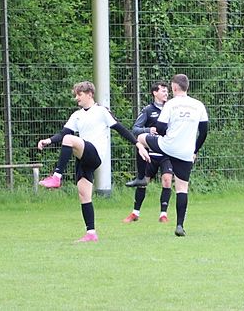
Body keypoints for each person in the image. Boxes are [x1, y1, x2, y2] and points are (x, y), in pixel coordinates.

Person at [37, 81, 148, 242]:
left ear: (89, 94)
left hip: (94, 154)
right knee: (84, 195)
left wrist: (138, 144)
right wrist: (48, 140)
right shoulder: (76, 115)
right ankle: (91, 233)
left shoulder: (101, 111)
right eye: (76, 95)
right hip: (83, 157)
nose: (76, 98)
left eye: (79, 94)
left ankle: (57, 177)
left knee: (69, 139)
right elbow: (62, 133)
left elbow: (121, 129)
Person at [135, 74, 209, 237]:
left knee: (140, 139)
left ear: (174, 87)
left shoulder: (170, 104)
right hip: (185, 152)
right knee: (182, 188)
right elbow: (203, 132)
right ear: (187, 87)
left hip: (167, 146)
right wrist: (194, 151)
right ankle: (180, 226)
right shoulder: (198, 105)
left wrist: (164, 136)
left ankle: (142, 177)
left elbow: (160, 128)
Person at [123, 81, 175, 224]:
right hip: (150, 154)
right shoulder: (147, 110)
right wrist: (148, 130)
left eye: (167, 91)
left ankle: (163, 214)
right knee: (143, 182)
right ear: (155, 93)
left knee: (167, 180)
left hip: (166, 153)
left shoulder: (171, 108)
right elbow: (135, 129)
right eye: (163, 91)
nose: (166, 93)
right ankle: (135, 213)